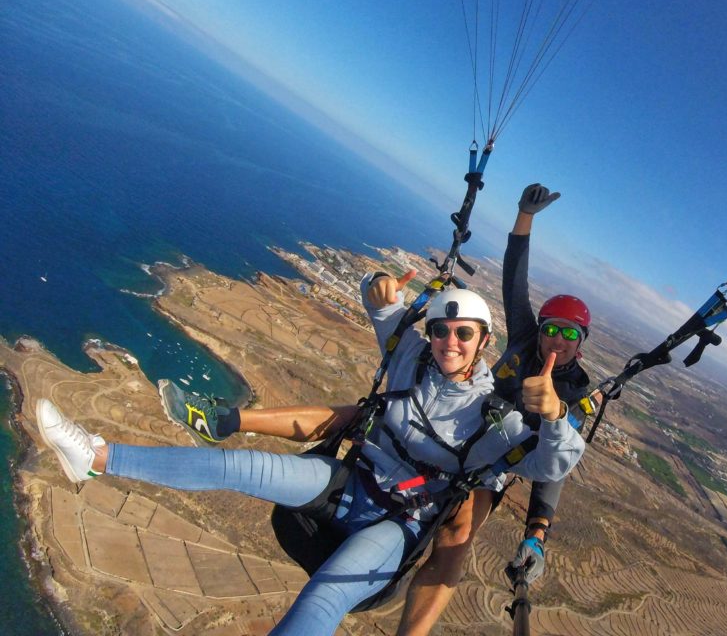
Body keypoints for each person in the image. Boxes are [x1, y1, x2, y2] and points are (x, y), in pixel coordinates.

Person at [159, 183, 598, 634]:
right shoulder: (526, 338)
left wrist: (537, 532)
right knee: (362, 414)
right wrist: (524, 217)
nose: (556, 341)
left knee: (455, 536)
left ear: (580, 345)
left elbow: (554, 468)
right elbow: (514, 277)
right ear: (540, 327)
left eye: (570, 336)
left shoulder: (575, 395)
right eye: (553, 329)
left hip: (493, 456)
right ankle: (222, 420)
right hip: (452, 411)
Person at [36, 278, 584, 636]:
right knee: (239, 466)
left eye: (464, 334)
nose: (450, 342)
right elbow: (382, 307)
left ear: (483, 341)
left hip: (397, 523)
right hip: (346, 480)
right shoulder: (411, 358)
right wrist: (379, 287)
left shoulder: (495, 419)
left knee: (323, 597)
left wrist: (555, 417)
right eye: (442, 330)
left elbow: (549, 467)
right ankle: (95, 457)